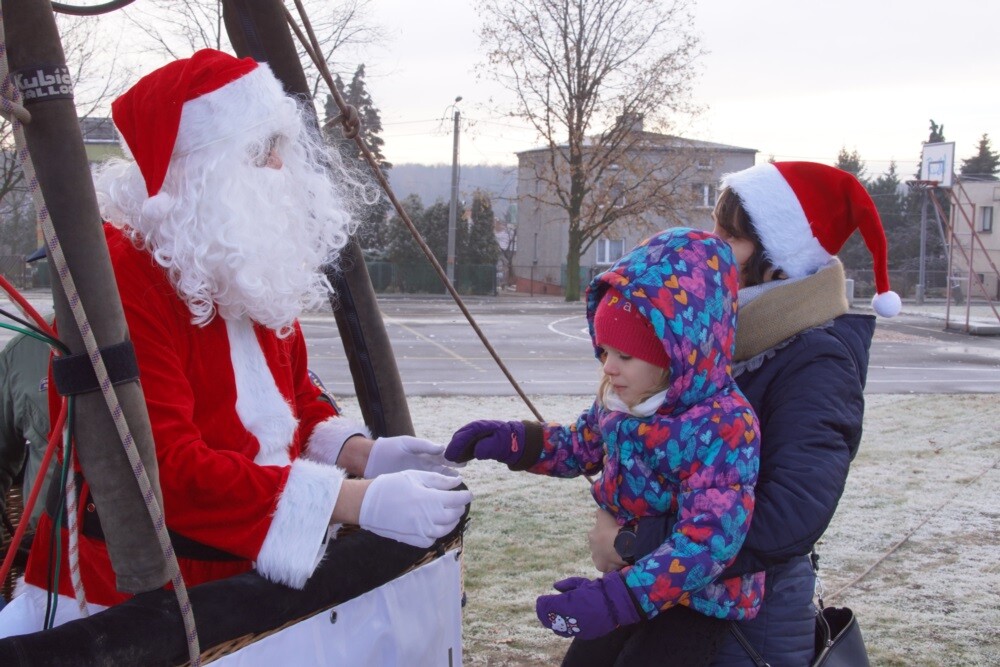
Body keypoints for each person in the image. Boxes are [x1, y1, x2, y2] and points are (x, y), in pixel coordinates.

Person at [0, 49, 471, 635]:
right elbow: (161, 466)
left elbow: (294, 400)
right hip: (139, 597)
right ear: (193, 167)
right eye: (260, 149)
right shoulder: (121, 274)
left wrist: (360, 453)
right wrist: (354, 501)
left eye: (280, 145)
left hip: (248, 576)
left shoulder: (238, 255)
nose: (279, 165)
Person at [591, 161, 900, 666]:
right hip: (671, 591)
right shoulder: (718, 333)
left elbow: (790, 514)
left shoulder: (815, 359)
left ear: (777, 260)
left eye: (728, 237)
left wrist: (635, 540)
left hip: (744, 624)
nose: (711, 246)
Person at [447, 228, 764, 666]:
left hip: (697, 602)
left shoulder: (723, 425)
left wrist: (616, 600)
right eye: (604, 351)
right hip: (629, 579)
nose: (609, 367)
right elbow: (579, 445)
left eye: (625, 356)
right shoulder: (624, 400)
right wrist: (516, 441)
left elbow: (709, 540)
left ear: (679, 351)